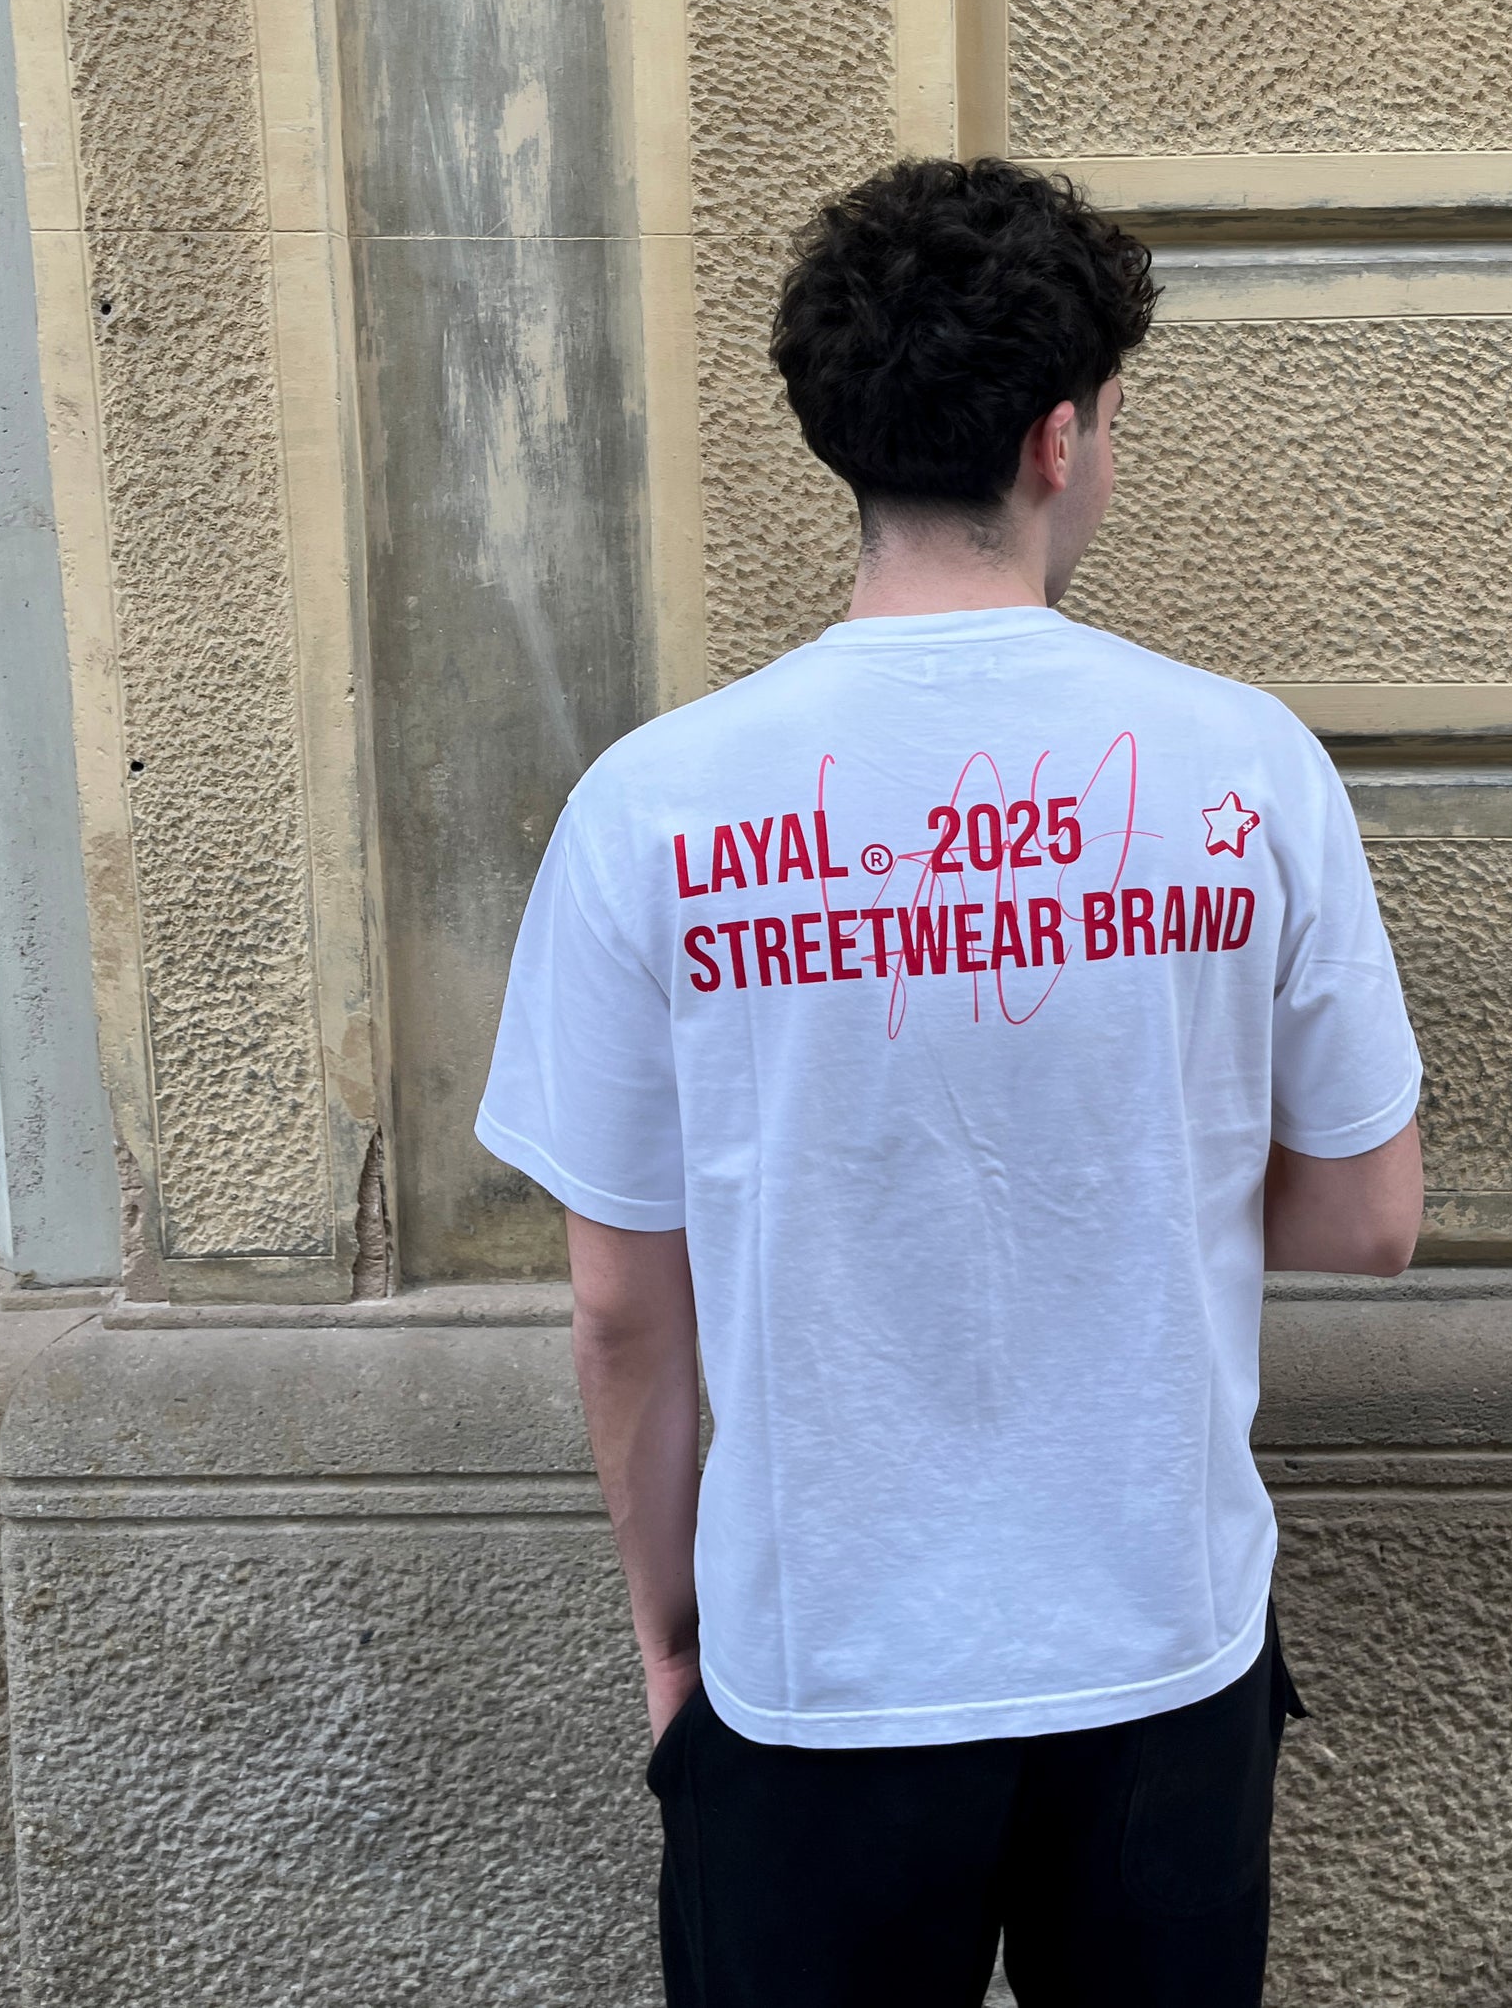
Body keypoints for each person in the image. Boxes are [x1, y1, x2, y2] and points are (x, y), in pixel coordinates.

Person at [475, 157, 1424, 2007]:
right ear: (1061, 436)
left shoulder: (654, 805)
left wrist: (672, 1639)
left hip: (816, 1668)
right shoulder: (1246, 766)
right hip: (1158, 1650)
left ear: (842, 435)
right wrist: (1142, 1169)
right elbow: (1370, 1219)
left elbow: (621, 1306)